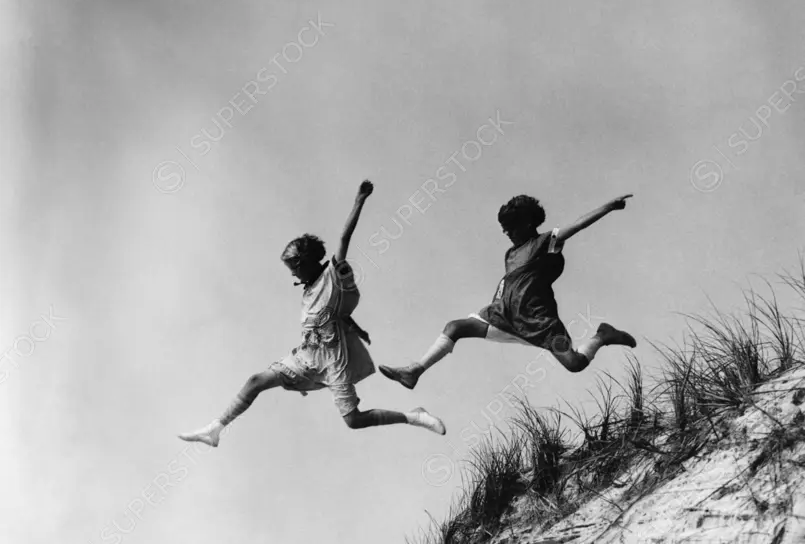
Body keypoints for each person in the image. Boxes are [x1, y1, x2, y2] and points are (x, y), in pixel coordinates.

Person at [178, 180, 445, 447]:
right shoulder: (307, 291)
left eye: (293, 268)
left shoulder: (333, 276)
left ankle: (414, 417)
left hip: (333, 361)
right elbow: (333, 313)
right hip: (306, 357)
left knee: (353, 420)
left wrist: (359, 199)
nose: (292, 274)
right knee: (255, 381)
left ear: (305, 263)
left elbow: (344, 239)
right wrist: (355, 325)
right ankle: (216, 428)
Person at [379, 193, 637, 390]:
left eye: (511, 228)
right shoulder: (510, 254)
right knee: (455, 327)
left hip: (540, 324)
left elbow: (577, 225)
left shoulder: (545, 242)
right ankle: (414, 371)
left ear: (527, 224)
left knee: (575, 364)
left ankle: (602, 336)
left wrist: (608, 207)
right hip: (503, 317)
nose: (506, 233)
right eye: (504, 228)